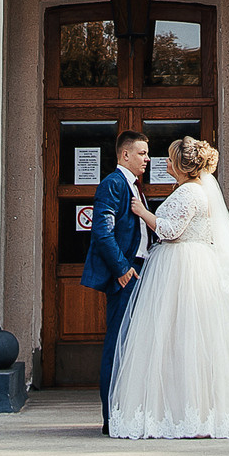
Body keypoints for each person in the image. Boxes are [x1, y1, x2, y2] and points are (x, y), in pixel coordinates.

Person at [107, 136, 229, 440]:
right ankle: (184, 411)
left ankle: (192, 414)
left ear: (183, 166)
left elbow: (171, 231)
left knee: (184, 339)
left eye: (171, 159)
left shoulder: (190, 193)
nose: (166, 163)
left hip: (184, 267)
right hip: (186, 265)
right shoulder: (191, 190)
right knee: (180, 340)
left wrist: (143, 213)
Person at [80, 129, 150, 429]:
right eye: (141, 153)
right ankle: (112, 417)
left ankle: (127, 411)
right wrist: (122, 269)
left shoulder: (135, 186)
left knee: (132, 344)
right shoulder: (113, 184)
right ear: (125, 155)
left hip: (140, 271)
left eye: (147, 154)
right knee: (117, 343)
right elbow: (102, 232)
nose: (147, 159)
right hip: (126, 274)